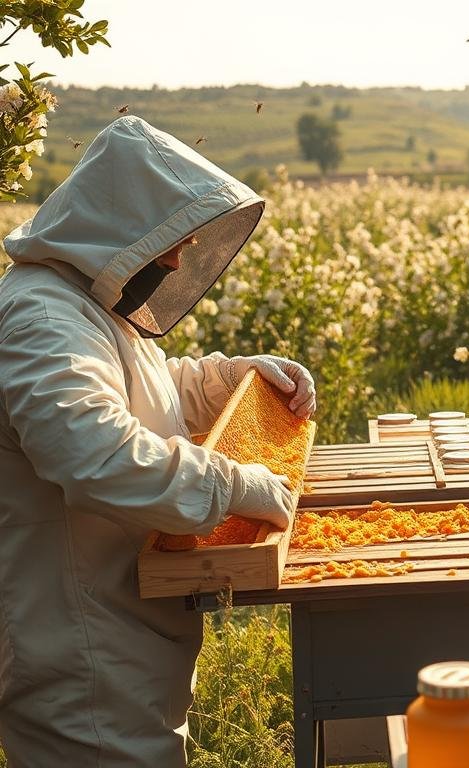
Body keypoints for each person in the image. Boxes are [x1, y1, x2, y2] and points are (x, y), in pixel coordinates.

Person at [0, 116, 316, 767]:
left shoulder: (82, 308)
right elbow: (94, 451)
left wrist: (233, 378)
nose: (176, 259)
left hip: (116, 644)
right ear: (116, 226)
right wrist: (233, 486)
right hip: (79, 659)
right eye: (167, 239)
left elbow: (149, 392)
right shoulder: (41, 316)